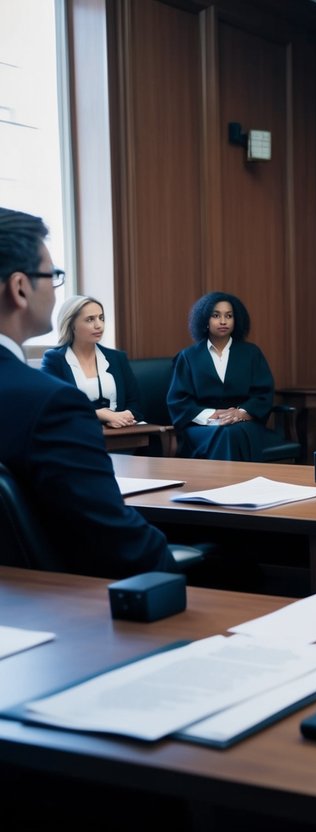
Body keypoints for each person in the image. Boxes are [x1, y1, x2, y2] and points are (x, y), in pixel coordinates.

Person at [0, 207, 174, 577]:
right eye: (53, 275)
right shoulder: (50, 403)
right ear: (19, 288)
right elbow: (117, 541)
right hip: (60, 608)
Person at [167, 291, 279, 461]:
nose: (223, 321)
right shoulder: (188, 357)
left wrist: (241, 413)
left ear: (236, 320)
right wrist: (212, 415)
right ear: (205, 320)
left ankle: (225, 483)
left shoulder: (251, 353)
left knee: (231, 432)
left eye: (229, 316)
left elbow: (263, 394)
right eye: (216, 315)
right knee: (224, 433)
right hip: (202, 426)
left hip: (244, 423)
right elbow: (178, 401)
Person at [41, 295, 143, 428]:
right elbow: (53, 408)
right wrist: (102, 415)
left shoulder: (118, 358)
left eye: (101, 318)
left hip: (121, 433)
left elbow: (136, 403)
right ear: (72, 325)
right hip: (76, 436)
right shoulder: (54, 360)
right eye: (90, 320)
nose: (99, 325)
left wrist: (122, 417)